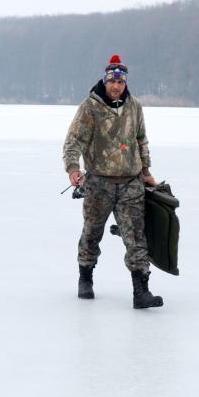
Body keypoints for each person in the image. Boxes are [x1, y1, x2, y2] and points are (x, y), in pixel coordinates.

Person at [62, 55, 163, 309]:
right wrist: (73, 169)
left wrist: (146, 172)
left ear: (125, 81)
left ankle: (141, 292)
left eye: (120, 81)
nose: (116, 85)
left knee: (136, 238)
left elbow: (141, 140)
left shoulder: (134, 106)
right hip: (99, 183)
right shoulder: (90, 107)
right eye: (112, 81)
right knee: (92, 233)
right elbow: (73, 142)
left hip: (131, 182)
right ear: (105, 80)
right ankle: (85, 278)